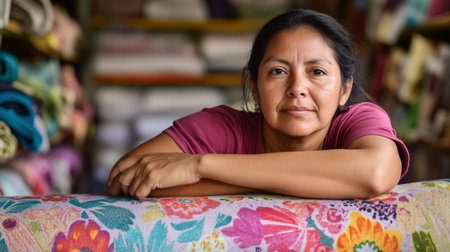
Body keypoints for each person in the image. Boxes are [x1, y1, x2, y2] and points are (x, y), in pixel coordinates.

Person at [105, 9, 409, 200]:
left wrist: (200, 165)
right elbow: (125, 178)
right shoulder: (224, 127)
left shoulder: (359, 120)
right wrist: (307, 182)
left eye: (317, 72)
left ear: (345, 90)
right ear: (254, 87)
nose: (297, 89)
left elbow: (375, 173)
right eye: (278, 71)